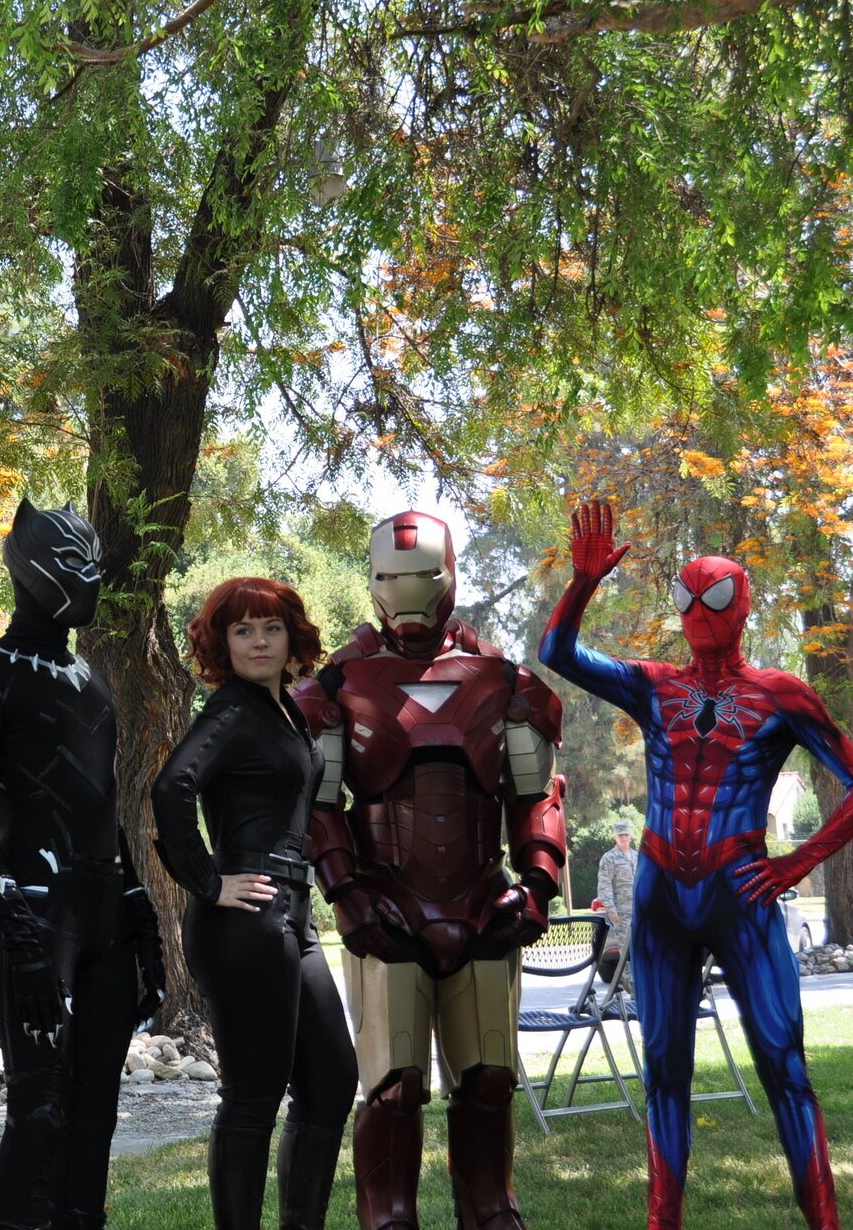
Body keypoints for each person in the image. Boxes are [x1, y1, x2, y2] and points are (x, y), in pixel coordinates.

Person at [540, 501, 853, 1230]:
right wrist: (583, 582)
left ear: (744, 605)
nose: (699, 609)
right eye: (685, 595)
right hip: (662, 892)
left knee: (784, 1066)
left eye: (717, 594)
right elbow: (558, 654)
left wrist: (799, 863)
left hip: (743, 889)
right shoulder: (653, 684)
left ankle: (825, 1218)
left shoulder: (782, 694)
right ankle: (662, 1221)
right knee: (662, 1071)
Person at [291, 511, 565, 1230]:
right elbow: (316, 804)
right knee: (393, 1085)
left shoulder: (501, 681)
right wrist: (346, 893)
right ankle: (389, 1213)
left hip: (482, 900)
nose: (405, 597)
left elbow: (535, 795)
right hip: (386, 903)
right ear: (374, 584)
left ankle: (491, 1206)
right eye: (390, 580)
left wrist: (534, 886)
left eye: (419, 579)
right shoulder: (340, 684)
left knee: (491, 1081)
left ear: (449, 579)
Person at [0, 498, 166, 1230]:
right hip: (36, 917)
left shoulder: (92, 684)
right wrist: (24, 939)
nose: (90, 584)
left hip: (102, 920)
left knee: (96, 1108)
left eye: (94, 568)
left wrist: (144, 918)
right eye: (76, 568)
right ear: (31, 569)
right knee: (38, 1111)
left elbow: (103, 807)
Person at [151, 578, 356, 1230]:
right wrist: (209, 881)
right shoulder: (234, 709)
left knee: (330, 1079)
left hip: (291, 915)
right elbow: (172, 787)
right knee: (253, 1096)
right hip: (246, 920)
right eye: (243, 630)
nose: (259, 641)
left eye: (270, 627)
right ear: (223, 643)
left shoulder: (285, 709)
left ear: (292, 633)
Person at [595, 818, 639, 976]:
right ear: (615, 837)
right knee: (625, 949)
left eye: (626, 835)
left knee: (640, 947)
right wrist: (611, 909)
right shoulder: (609, 858)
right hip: (621, 912)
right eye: (620, 835)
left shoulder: (637, 856)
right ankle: (629, 981)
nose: (624, 838)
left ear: (630, 836)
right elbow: (604, 885)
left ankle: (639, 981)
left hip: (639, 910)